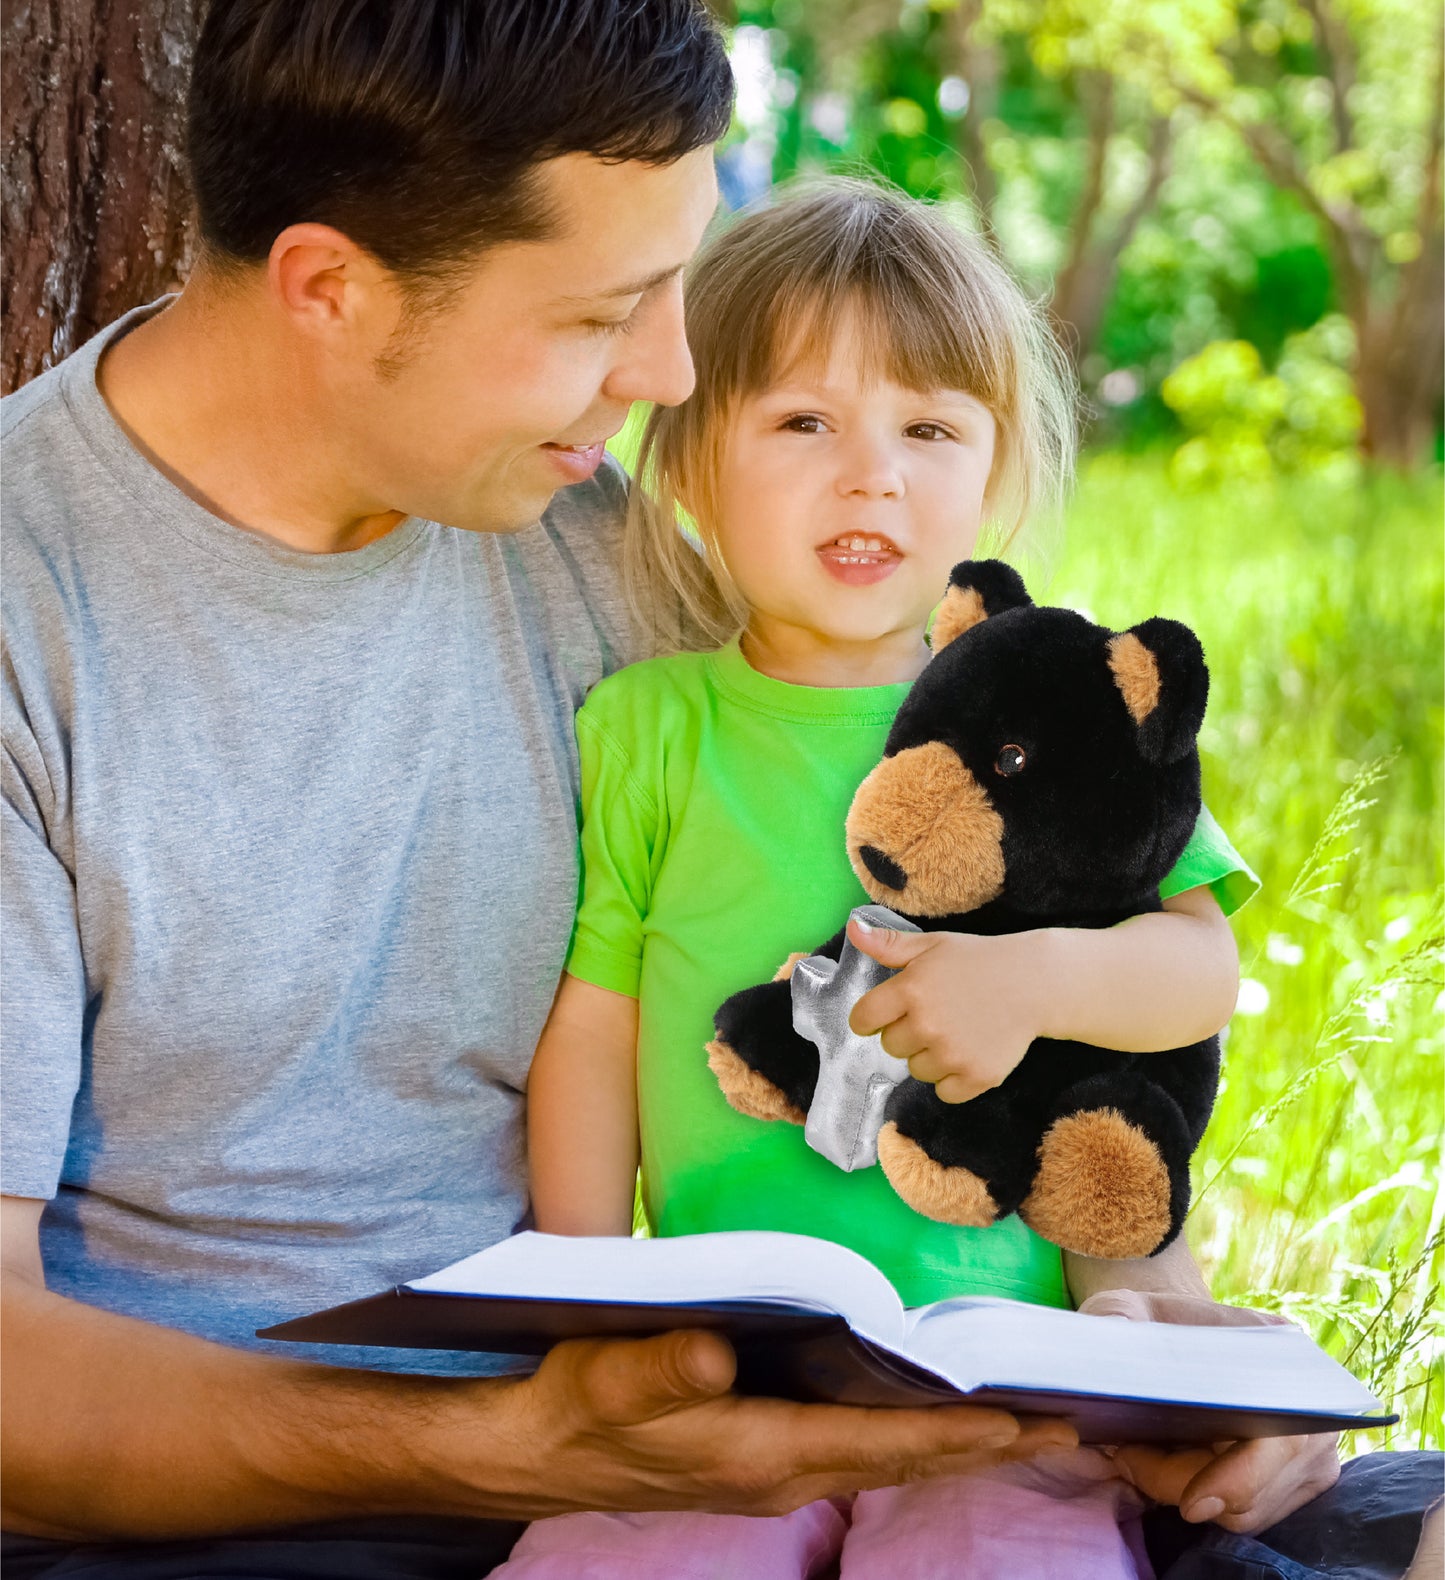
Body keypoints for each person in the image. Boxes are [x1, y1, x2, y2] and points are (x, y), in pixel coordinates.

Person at [0, 5, 1076, 1575]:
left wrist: (1148, 1326)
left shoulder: (601, 561)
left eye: (675, 288)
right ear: (331, 288)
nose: (670, 372)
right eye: (600, 316)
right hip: (193, 1527)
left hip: (634, 1481)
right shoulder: (29, 618)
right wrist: (486, 1451)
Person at [509, 179, 1431, 1579]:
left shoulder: (1058, 699)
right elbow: (597, 1022)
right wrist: (584, 1315)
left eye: (929, 430)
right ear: (687, 463)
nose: (870, 474)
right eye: (803, 422)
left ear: (993, 477)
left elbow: (1199, 971)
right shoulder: (650, 728)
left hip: (1011, 1376)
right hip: (724, 1364)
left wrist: (1031, 979)